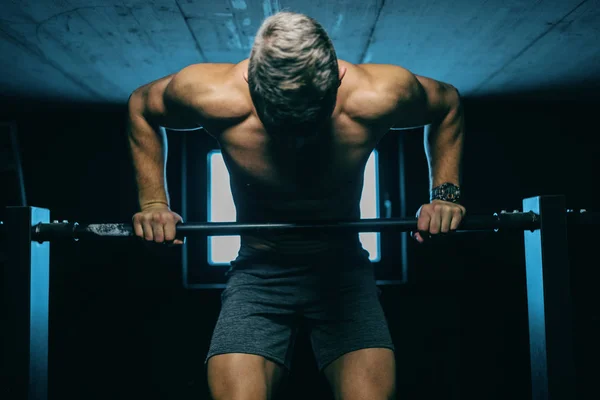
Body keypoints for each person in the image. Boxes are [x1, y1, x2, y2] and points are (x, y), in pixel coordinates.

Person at [128, 11, 465, 400]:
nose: (297, 144)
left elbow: (448, 103)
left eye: (310, 123)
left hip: (342, 273)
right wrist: (153, 202)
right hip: (259, 273)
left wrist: (445, 195)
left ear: (336, 81)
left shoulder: (379, 94)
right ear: (250, 83)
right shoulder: (211, 94)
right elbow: (141, 105)